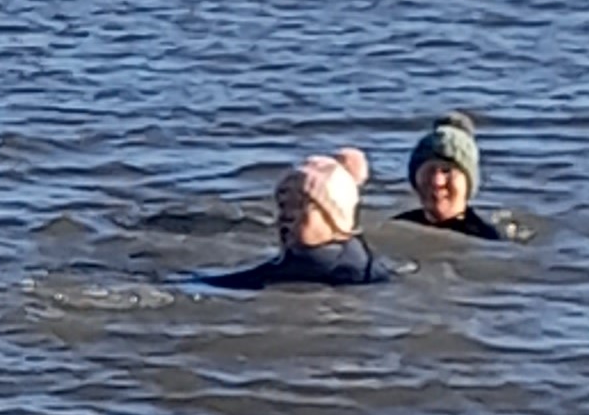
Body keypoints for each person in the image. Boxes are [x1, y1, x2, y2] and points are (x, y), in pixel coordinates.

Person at [206, 147, 394, 289]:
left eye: (300, 206)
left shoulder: (342, 268)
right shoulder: (355, 254)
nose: (287, 215)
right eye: (283, 206)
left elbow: (260, 277)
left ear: (334, 220)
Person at [393, 110, 509, 240]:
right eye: (430, 170)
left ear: (467, 183)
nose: (437, 181)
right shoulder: (397, 229)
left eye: (447, 171)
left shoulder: (485, 239)